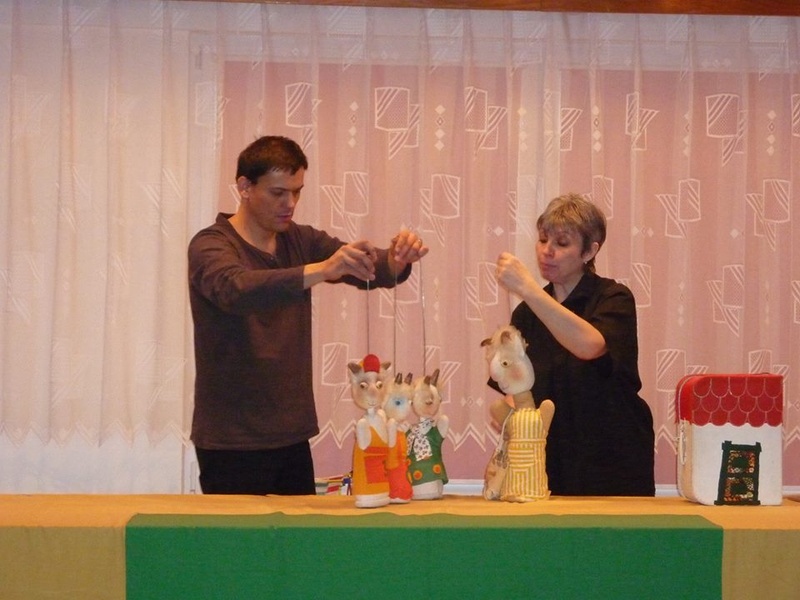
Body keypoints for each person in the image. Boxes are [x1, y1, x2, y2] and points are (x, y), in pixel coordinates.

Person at [188, 135, 428, 495]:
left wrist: (395, 260)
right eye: (278, 193)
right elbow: (235, 288)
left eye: (297, 192)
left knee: (299, 534)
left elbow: (367, 266)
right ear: (244, 187)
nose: (290, 203)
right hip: (230, 441)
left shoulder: (300, 241)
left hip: (292, 435)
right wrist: (320, 270)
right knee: (238, 536)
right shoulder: (210, 245)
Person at [489, 193, 655, 496]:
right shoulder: (526, 313)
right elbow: (516, 390)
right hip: (548, 462)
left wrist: (527, 288)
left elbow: (590, 346)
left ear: (590, 251)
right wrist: (511, 427)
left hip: (613, 460)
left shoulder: (613, 298)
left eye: (562, 243)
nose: (547, 251)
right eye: (543, 240)